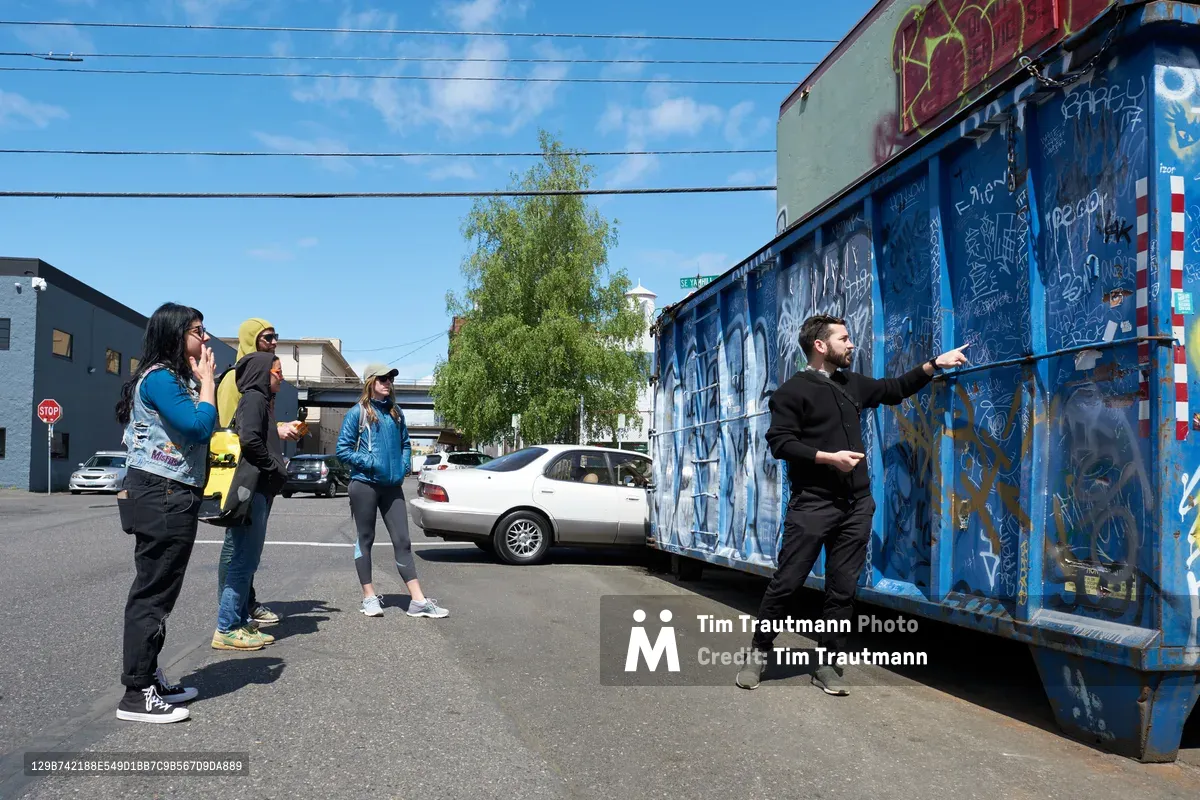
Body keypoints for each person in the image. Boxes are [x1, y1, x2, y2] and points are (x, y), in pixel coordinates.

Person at [735, 314, 969, 696]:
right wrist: (828, 458)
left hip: (856, 505)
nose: (851, 344)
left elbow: (893, 389)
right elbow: (781, 443)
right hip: (813, 504)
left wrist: (933, 365)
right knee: (788, 582)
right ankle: (759, 652)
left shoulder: (851, 384)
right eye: (844, 339)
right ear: (820, 346)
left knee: (842, 589)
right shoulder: (792, 392)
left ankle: (828, 661)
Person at [114, 303, 218, 723]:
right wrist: (208, 382)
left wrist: (199, 383)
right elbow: (198, 426)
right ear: (176, 335)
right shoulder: (159, 378)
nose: (205, 339)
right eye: (198, 331)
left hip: (168, 493)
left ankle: (149, 677)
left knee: (161, 590)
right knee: (153, 593)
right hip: (163, 493)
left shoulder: (169, 378)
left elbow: (198, 423)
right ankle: (136, 694)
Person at [336, 363, 448, 619]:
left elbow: (406, 443)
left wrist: (403, 463)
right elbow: (342, 450)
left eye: (390, 379)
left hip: (392, 486)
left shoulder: (396, 412)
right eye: (383, 379)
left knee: (403, 541)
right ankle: (369, 597)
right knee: (366, 539)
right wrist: (371, 462)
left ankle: (418, 601)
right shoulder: (358, 413)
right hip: (364, 484)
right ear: (370, 382)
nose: (388, 382)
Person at [214, 318, 303, 628]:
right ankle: (231, 616)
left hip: (259, 477)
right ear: (251, 339)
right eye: (267, 337)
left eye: (276, 336)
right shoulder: (237, 381)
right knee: (237, 548)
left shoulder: (262, 385)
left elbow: (255, 429)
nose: (274, 342)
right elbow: (232, 429)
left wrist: (276, 431)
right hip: (243, 476)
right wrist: (270, 462)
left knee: (246, 548)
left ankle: (240, 608)